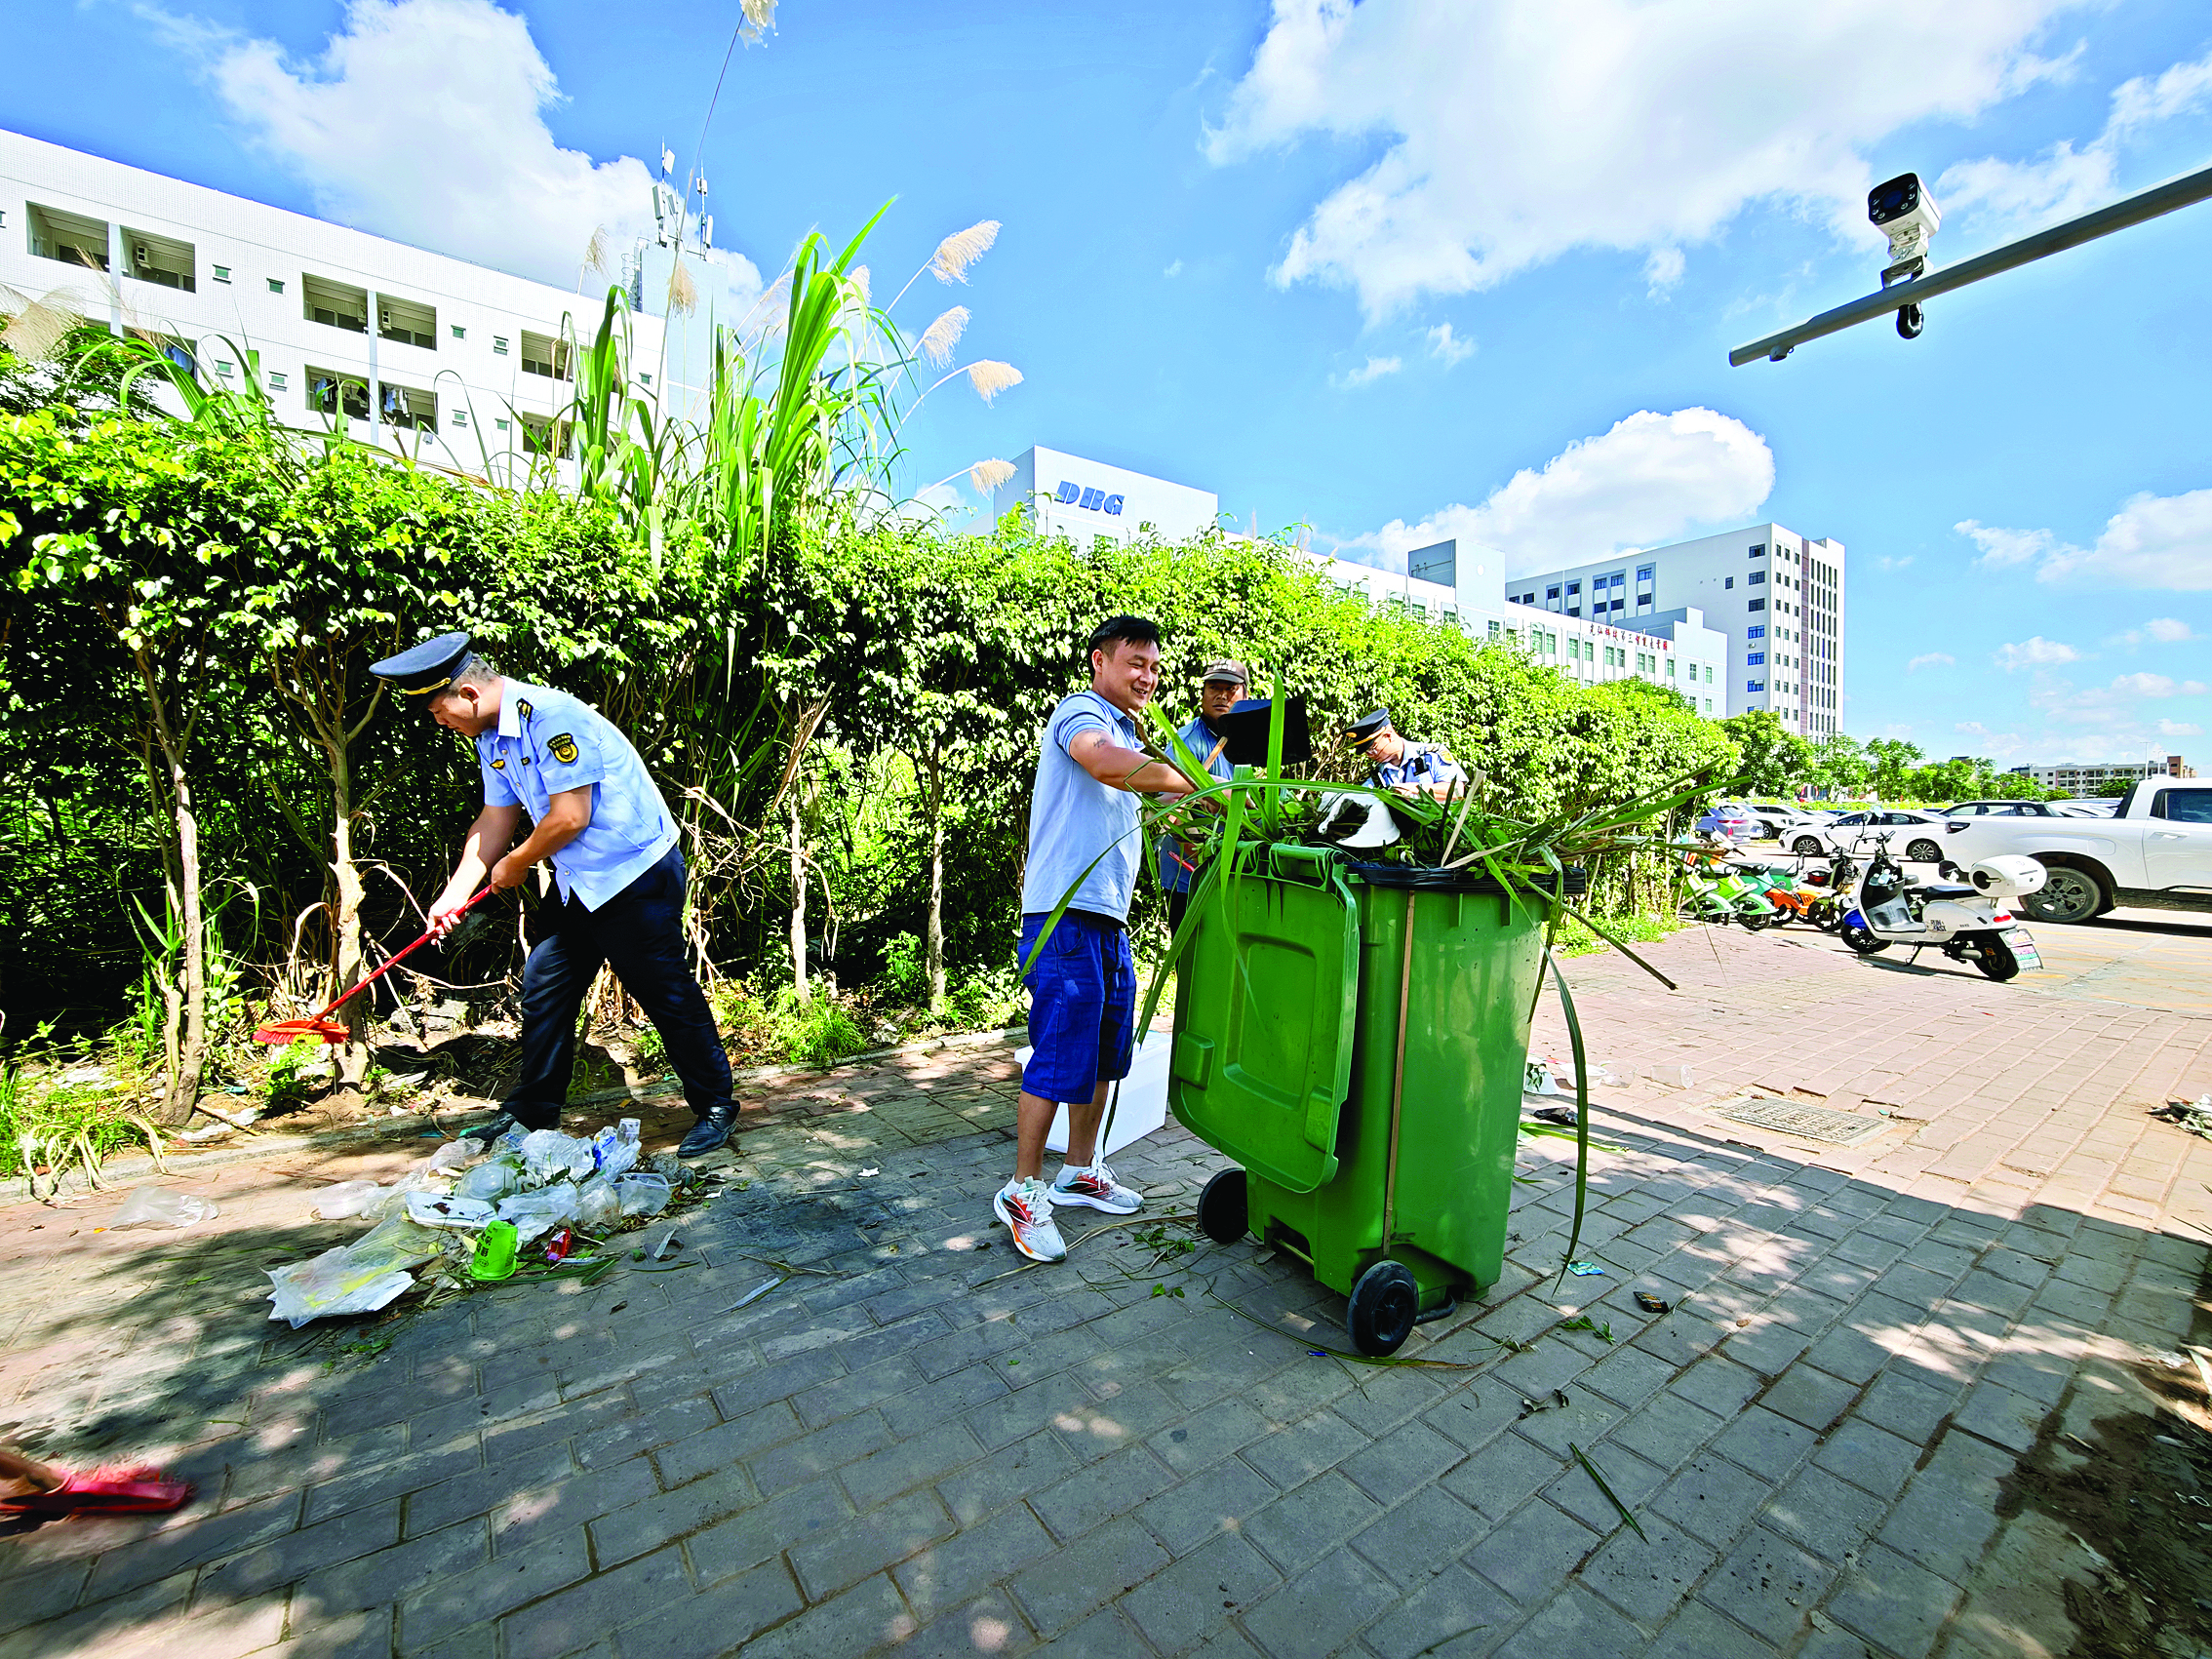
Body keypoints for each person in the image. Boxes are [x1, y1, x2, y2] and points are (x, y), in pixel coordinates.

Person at [371, 632, 739, 1160]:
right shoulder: (491, 736)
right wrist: (455, 893)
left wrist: (518, 862)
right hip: (576, 879)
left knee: (664, 992)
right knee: (545, 987)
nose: (440, 722)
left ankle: (716, 1105)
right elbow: (495, 818)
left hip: (632, 873)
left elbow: (570, 816)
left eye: (439, 710)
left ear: (468, 694)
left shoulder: (551, 718)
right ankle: (532, 1111)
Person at [998, 616, 1198, 1263]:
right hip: (1063, 914)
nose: (1148, 677)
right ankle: (1023, 1191)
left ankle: (1079, 1169)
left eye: (1155, 667)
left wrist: (1197, 816)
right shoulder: (1081, 713)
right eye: (1135, 663)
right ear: (1099, 661)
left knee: (1108, 1051)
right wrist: (1189, 780)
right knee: (1060, 1050)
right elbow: (1102, 762)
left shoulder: (1129, 734)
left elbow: (1134, 789)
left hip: (1107, 917)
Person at [1159, 659, 1245, 931]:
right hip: (1191, 879)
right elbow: (1169, 813)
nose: (1221, 695)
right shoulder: (1186, 742)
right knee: (1193, 954)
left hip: (1239, 877)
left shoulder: (1251, 742)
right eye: (1214, 688)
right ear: (1203, 693)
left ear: (1245, 695)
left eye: (1230, 689)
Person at [1345, 707, 1466, 800]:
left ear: (1388, 736)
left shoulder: (1431, 755)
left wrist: (1416, 790)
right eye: (1366, 752)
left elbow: (1457, 792)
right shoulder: (1379, 774)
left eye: (1372, 748)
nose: (1370, 755)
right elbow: (1359, 797)